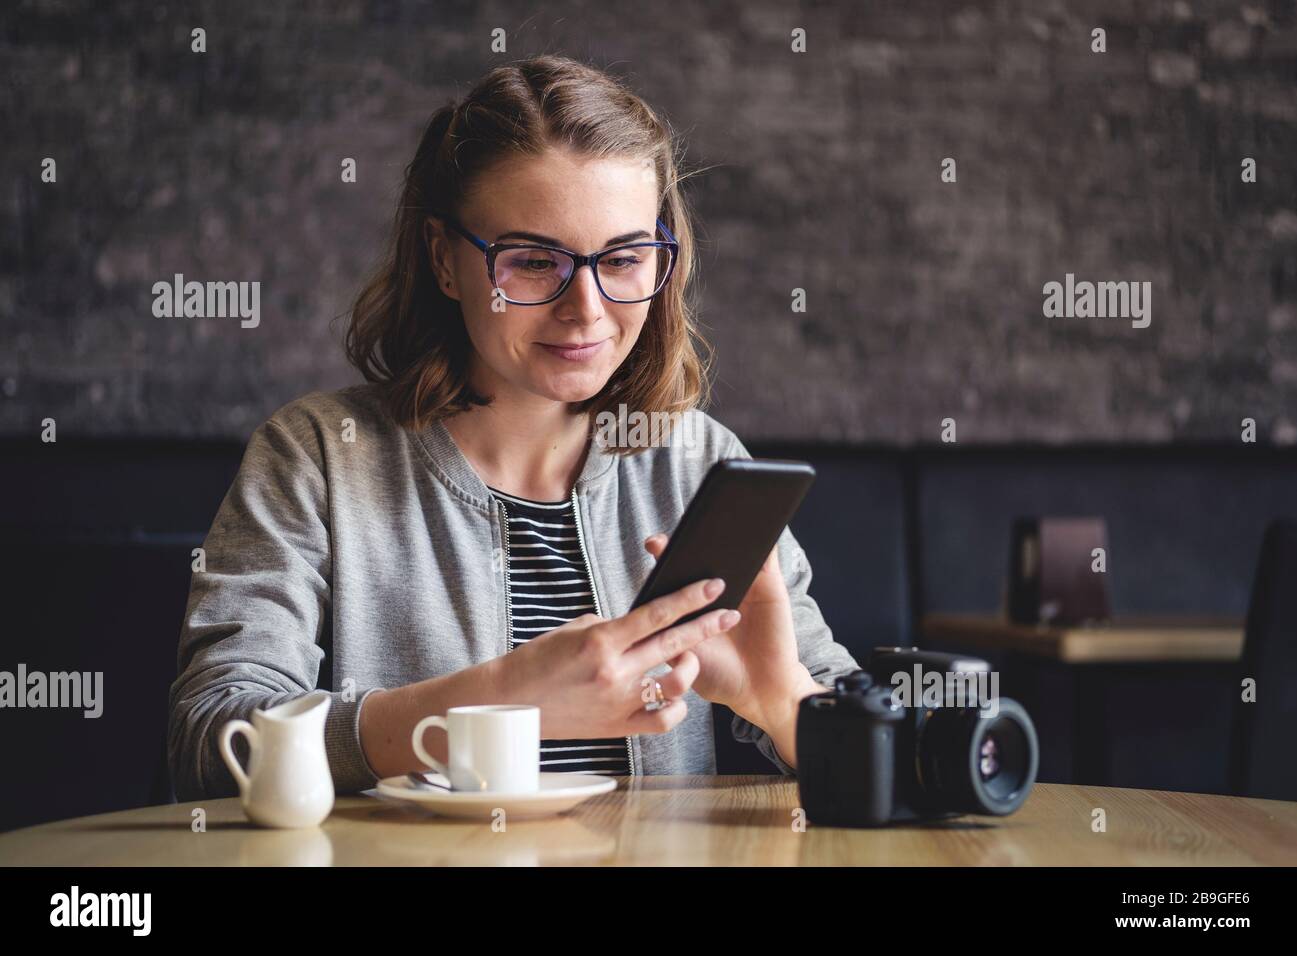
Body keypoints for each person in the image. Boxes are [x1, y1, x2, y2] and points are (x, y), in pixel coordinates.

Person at [167, 54, 861, 800]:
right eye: (533, 262)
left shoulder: (698, 463)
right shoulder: (315, 457)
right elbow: (213, 737)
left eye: (624, 258)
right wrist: (496, 700)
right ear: (443, 259)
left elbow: (874, 752)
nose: (587, 309)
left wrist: (781, 701)